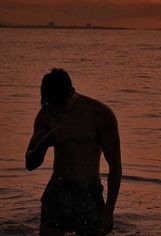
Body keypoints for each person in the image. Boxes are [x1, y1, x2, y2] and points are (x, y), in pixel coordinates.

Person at [25, 68, 122, 236]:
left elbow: (115, 167)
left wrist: (108, 211)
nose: (57, 110)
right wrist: (46, 142)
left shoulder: (99, 114)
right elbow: (30, 164)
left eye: (60, 104)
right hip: (58, 187)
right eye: (52, 104)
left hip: (88, 191)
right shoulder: (46, 115)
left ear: (71, 92)